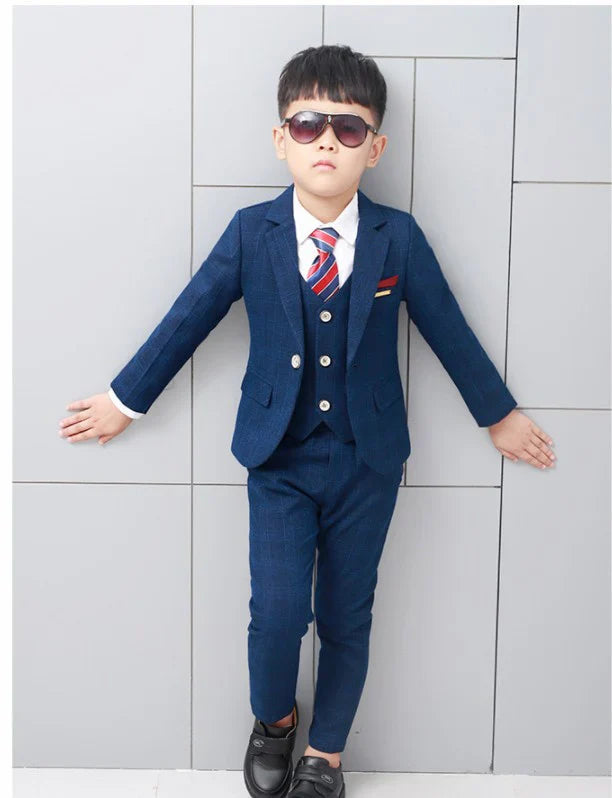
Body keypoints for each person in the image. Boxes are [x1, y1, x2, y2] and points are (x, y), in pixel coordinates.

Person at [58, 44, 556, 798]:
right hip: (278, 458)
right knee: (278, 611)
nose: (327, 140)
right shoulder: (250, 232)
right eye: (307, 124)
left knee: (347, 613)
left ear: (374, 148)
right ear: (280, 138)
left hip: (368, 459)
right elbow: (189, 316)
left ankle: (326, 754)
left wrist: (499, 414)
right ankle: (275, 722)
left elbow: (447, 327)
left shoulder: (397, 237)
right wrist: (124, 399)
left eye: (348, 128)